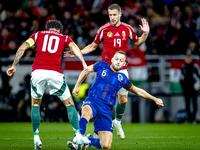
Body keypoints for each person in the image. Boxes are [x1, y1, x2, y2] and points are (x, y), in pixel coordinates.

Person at [64, 3, 150, 139]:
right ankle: (99, 129)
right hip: (106, 68)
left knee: (123, 100)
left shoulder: (127, 29)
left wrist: (145, 34)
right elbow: (93, 45)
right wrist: (78, 53)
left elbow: (137, 42)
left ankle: (117, 121)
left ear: (120, 14)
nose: (112, 18)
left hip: (122, 69)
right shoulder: (104, 29)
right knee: (102, 98)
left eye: (115, 15)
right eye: (110, 15)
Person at [6, 20, 90, 150]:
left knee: (35, 104)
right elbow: (74, 47)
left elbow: (23, 47)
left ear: (48, 29)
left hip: (38, 72)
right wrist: (83, 63)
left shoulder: (38, 35)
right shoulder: (64, 37)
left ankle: (36, 138)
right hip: (55, 73)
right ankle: (78, 135)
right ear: (59, 30)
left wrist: (14, 65)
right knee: (69, 104)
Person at [67, 51, 164, 150]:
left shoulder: (123, 79)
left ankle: (89, 140)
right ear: (112, 59)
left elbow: (138, 91)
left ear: (124, 64)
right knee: (85, 114)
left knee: (106, 145)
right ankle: (77, 139)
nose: (118, 62)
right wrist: (76, 86)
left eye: (121, 61)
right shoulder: (101, 65)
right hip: (93, 101)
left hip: (106, 109)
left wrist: (154, 99)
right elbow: (86, 70)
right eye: (116, 59)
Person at [180, 54, 200, 123]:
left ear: (191, 59)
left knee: (194, 104)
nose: (188, 60)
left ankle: (194, 117)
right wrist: (183, 88)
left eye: (189, 59)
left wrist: (197, 86)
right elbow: (181, 79)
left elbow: (198, 77)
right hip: (186, 90)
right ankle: (189, 118)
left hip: (193, 89)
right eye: (186, 59)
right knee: (187, 105)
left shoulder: (194, 67)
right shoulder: (183, 67)